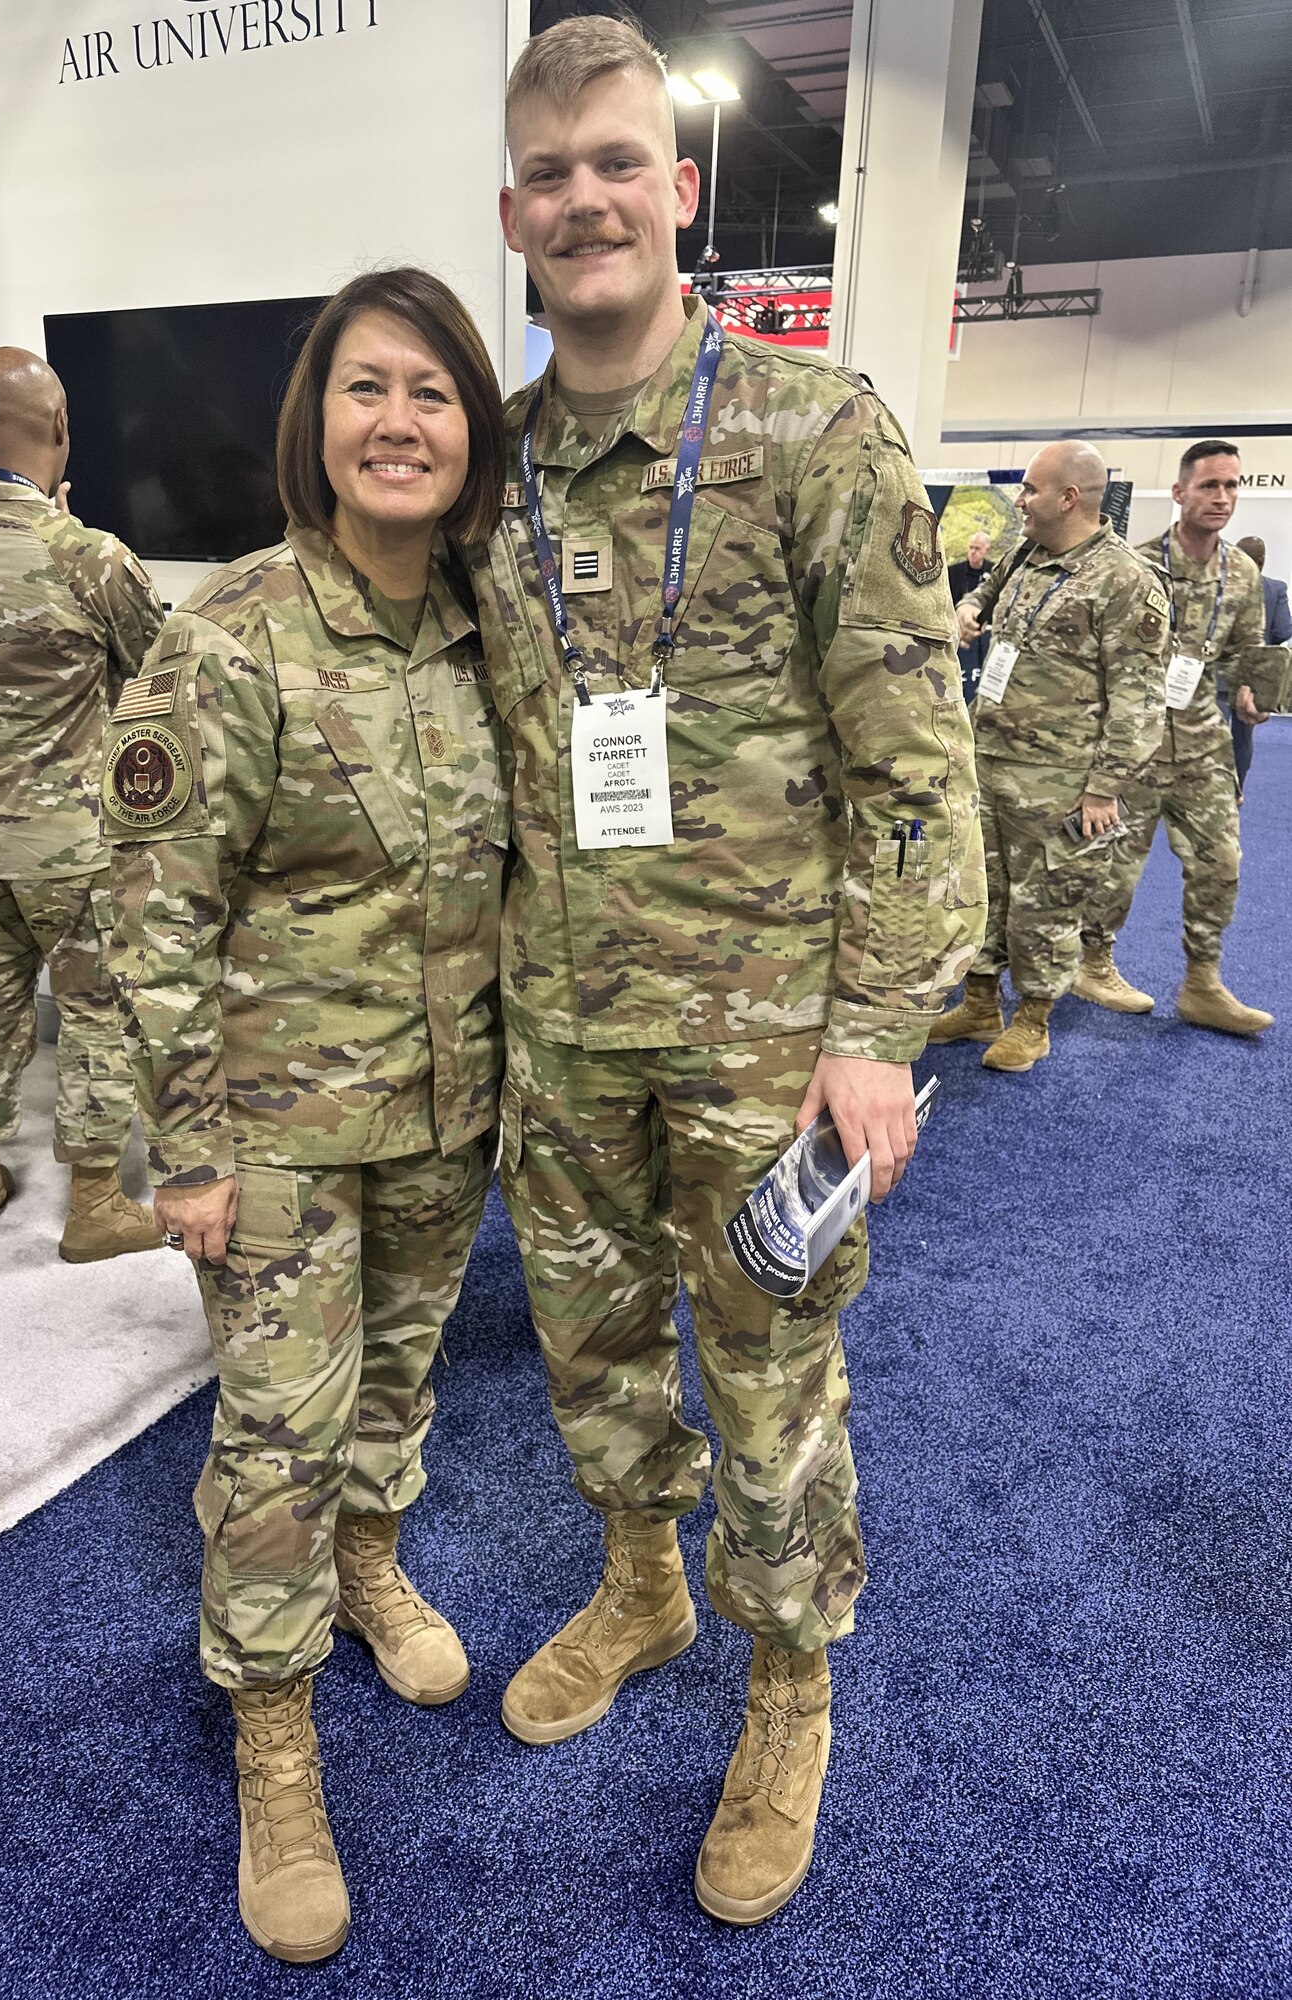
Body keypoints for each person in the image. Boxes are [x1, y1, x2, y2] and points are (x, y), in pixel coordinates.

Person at [471, 16, 984, 1929]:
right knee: (597, 1367)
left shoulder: (811, 433)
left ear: (678, 196)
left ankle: (790, 1684)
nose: (585, 196)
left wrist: (875, 1037)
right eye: (550, 172)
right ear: (515, 216)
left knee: (772, 1382)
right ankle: (639, 1580)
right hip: (564, 1038)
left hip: (768, 1053)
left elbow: (917, 771)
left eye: (620, 161)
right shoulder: (490, 472)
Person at [106, 270, 508, 1965]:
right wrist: (187, 1147)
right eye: (367, 389)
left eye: (432, 390)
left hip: (442, 1116)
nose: (400, 420)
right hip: (272, 1133)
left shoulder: (499, 629)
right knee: (276, 1434)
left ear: (473, 428)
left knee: (397, 1387)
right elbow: (151, 906)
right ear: (317, 423)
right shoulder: (232, 634)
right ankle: (274, 1730)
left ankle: (371, 1564)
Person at [0, 348, 166, 1257]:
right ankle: (93, 1202)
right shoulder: (86, 555)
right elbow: (158, 671)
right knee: (96, 1006)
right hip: (71, 842)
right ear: (60, 428)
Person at [934, 439, 1169, 1070]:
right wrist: (967, 610)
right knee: (980, 891)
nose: (1021, 500)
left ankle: (1032, 1021)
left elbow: (1140, 698)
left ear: (1070, 498)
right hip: (991, 759)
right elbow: (984, 589)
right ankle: (980, 1005)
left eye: (1031, 490)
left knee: (1048, 905)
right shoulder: (1027, 554)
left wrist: (1105, 787)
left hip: (1064, 780)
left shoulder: (1126, 580)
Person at [1073, 441, 1272, 1033]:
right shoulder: (1135, 566)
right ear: (1180, 492)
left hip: (1204, 746)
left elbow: (1245, 655)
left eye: (1232, 486)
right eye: (1210, 485)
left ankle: (1202, 983)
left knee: (1221, 863)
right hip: (1135, 747)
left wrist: (1249, 695)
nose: (1223, 497)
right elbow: (1097, 662)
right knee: (1115, 868)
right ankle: (1092, 963)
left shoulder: (1243, 573)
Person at [1230, 533, 1290, 793]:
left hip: (1218, 673)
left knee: (1206, 733)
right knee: (1243, 737)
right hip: (1254, 675)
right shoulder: (1276, 589)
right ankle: (1237, 790)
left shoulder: (1220, 585)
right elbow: (1284, 631)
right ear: (1263, 560)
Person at [948, 530, 992, 703]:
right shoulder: (954, 572)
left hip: (985, 636)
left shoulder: (993, 573)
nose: (973, 552)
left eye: (978, 548)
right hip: (958, 633)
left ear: (986, 551)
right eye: (971, 548)